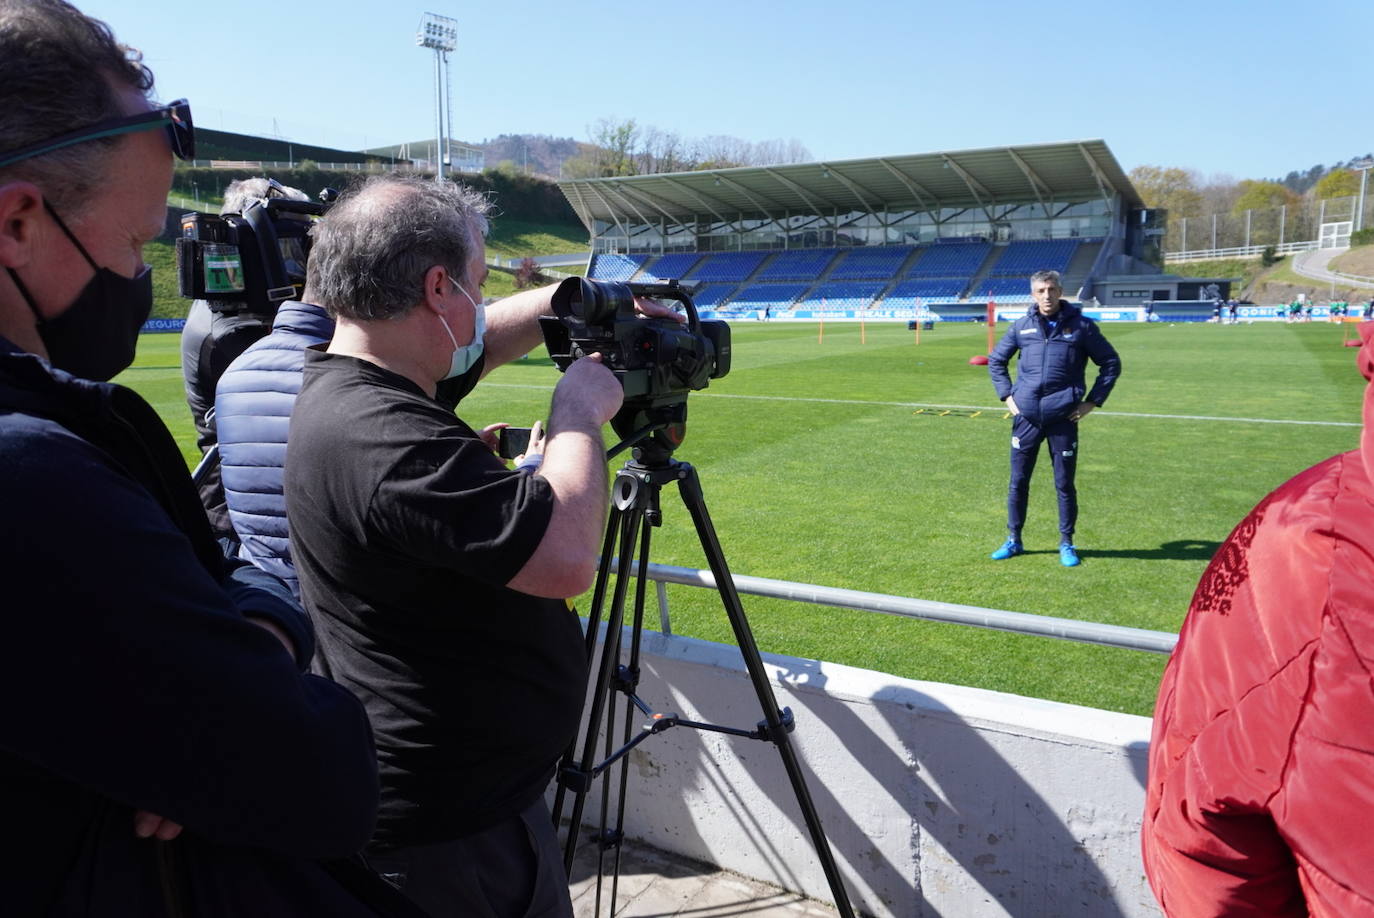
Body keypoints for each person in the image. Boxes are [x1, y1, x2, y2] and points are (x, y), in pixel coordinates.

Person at [0, 2, 408, 914]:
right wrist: (258, 633)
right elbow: (325, 777)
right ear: (18, 223)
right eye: (134, 244)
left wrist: (239, 636)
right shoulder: (32, 475)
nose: (139, 277)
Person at [283, 174, 680, 917]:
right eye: (474, 282)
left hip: (471, 809)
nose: (482, 302)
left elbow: (482, 338)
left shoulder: (369, 382)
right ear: (437, 289)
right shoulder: (385, 433)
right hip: (448, 844)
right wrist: (577, 415)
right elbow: (567, 559)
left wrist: (582, 298)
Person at [1142, 320, 1374, 916]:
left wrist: (1088, 399)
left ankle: (1062, 536)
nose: (1044, 298)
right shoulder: (1320, 549)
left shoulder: (1319, 534)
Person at [180, 177, 309, 543]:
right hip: (242, 521)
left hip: (248, 504)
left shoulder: (234, 308)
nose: (301, 262)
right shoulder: (233, 328)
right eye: (290, 246)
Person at [986, 269, 1121, 567]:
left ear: (1060, 291)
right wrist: (1007, 396)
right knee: (1018, 482)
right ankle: (1013, 540)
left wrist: (1092, 402)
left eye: (1051, 289)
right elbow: (996, 361)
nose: (1047, 295)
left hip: (1064, 418)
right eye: (1040, 291)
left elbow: (1110, 363)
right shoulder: (1021, 327)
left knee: (1064, 484)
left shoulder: (1082, 328)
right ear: (1033, 295)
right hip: (1027, 419)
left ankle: (1067, 543)